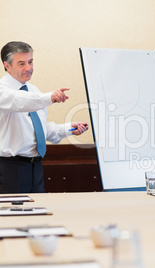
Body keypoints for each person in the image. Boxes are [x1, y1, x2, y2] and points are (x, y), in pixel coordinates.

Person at [0, 41, 89, 193]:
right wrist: (50, 97)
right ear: (7, 65)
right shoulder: (4, 90)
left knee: (38, 215)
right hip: (10, 169)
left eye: (30, 61)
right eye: (21, 63)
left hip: (36, 167)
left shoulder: (34, 91)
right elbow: (21, 102)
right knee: (14, 216)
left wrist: (68, 128)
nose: (28, 68)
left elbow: (39, 130)